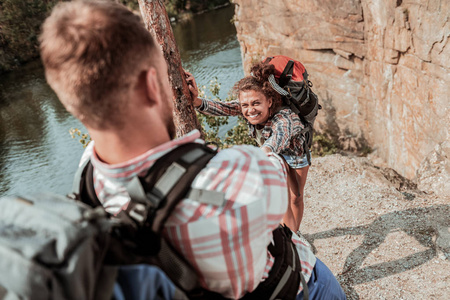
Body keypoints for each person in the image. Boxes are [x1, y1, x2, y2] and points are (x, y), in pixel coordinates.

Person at [39, 1, 346, 299]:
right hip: (302, 288)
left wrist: (198, 104)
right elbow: (268, 173)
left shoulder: (87, 182)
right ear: (150, 85)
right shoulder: (238, 173)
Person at [186, 63, 310, 237]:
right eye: (245, 105)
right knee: (282, 198)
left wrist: (256, 156)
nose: (250, 110)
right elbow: (224, 108)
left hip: (295, 155)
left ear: (269, 101)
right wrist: (197, 101)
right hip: (273, 156)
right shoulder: (246, 107)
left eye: (256, 103)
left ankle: (296, 233)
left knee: (296, 196)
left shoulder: (285, 117)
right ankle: (293, 239)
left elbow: (277, 139)